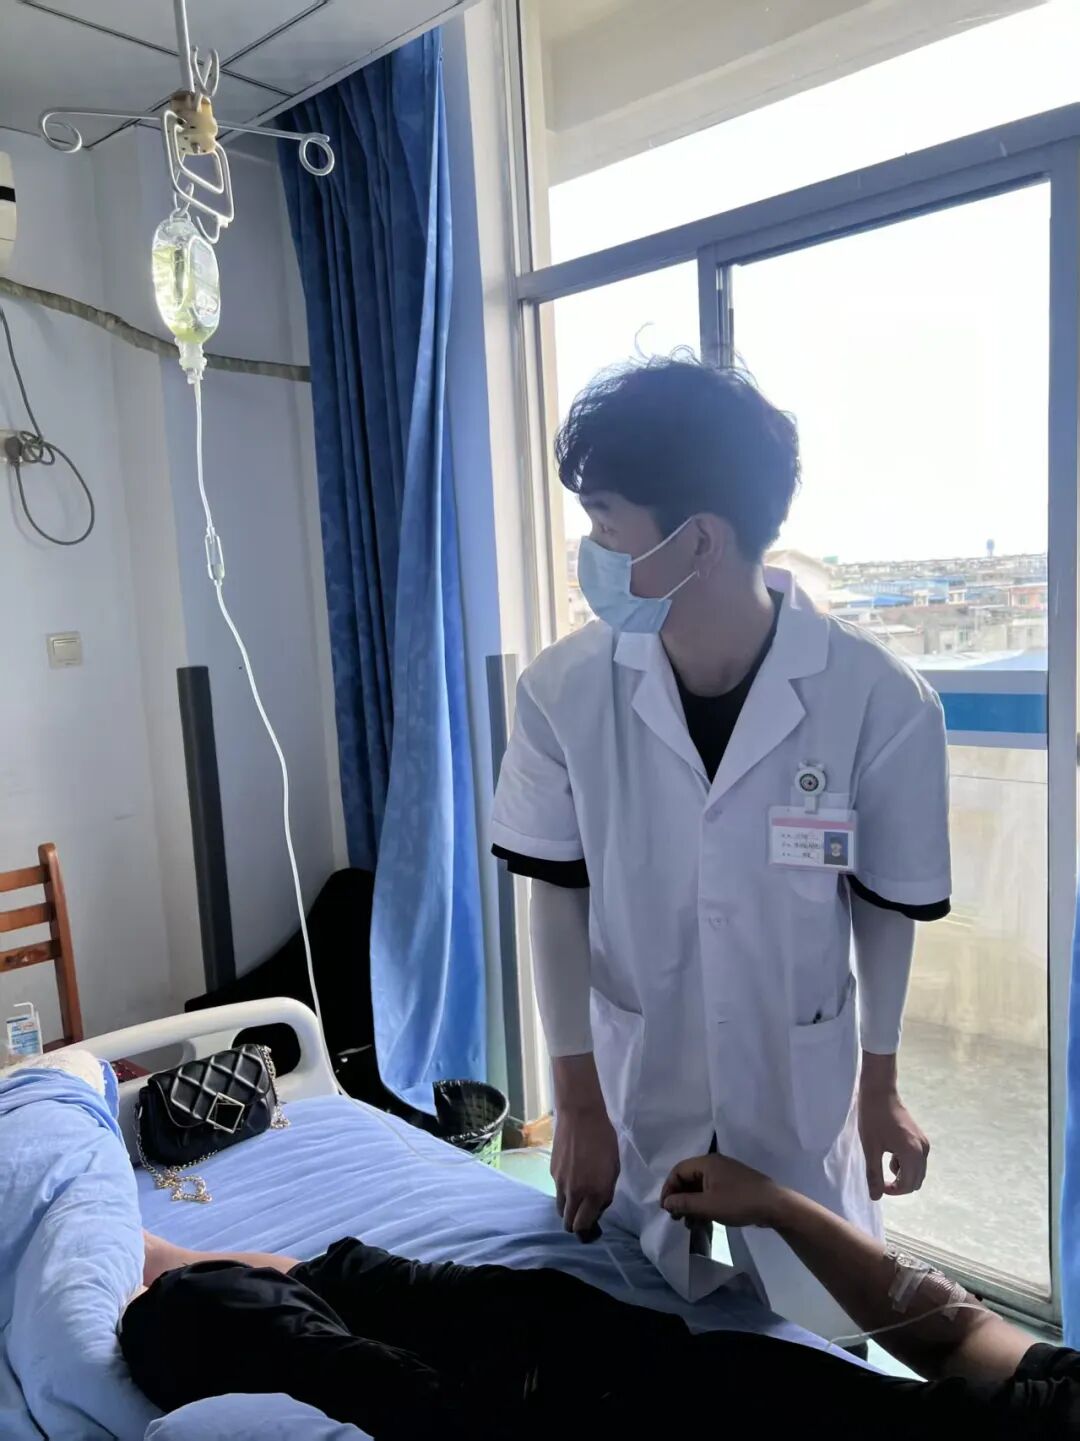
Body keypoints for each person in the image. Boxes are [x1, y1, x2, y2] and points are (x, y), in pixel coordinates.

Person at [491, 354, 951, 1334]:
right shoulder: (563, 692)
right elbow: (557, 893)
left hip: (798, 1095)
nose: (590, 548)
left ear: (699, 538)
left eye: (605, 521)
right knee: (639, 1338)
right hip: (637, 1087)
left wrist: (879, 1082)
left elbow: (884, 905)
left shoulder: (879, 699)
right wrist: (578, 1102)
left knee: (820, 1342)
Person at [128, 1224, 1080, 1438]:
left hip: (545, 1421)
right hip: (652, 1362)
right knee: (383, 1284)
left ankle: (135, 1262)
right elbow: (960, 1340)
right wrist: (775, 1203)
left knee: (188, 1320)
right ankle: (156, 1249)